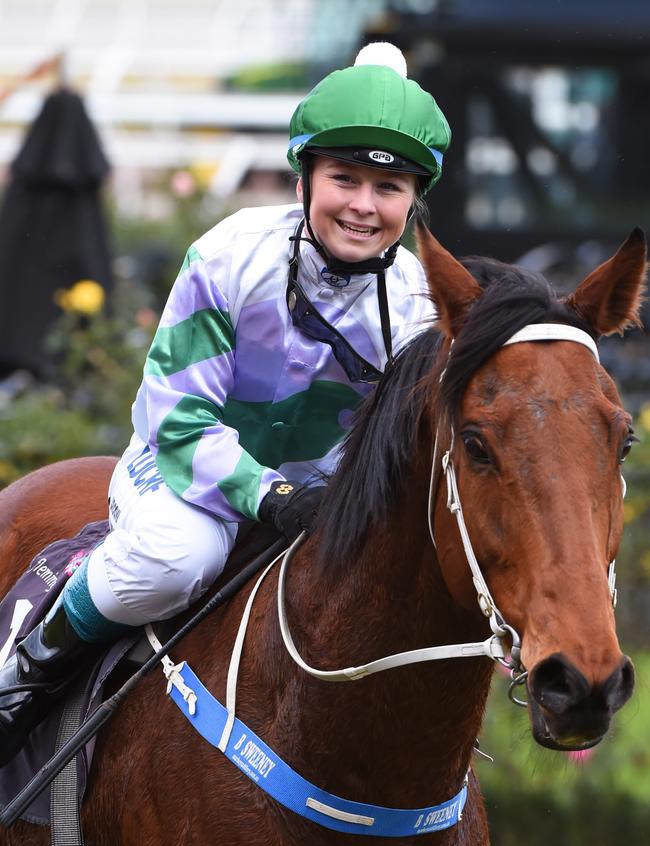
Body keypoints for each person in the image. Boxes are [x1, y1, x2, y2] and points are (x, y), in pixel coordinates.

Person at [0, 43, 451, 764]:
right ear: (305, 176)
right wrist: (268, 496)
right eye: (344, 178)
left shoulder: (423, 304)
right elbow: (180, 421)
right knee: (176, 560)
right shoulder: (229, 255)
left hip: (325, 505)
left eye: (389, 187)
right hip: (183, 478)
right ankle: (24, 672)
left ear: (413, 200)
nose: (364, 205)